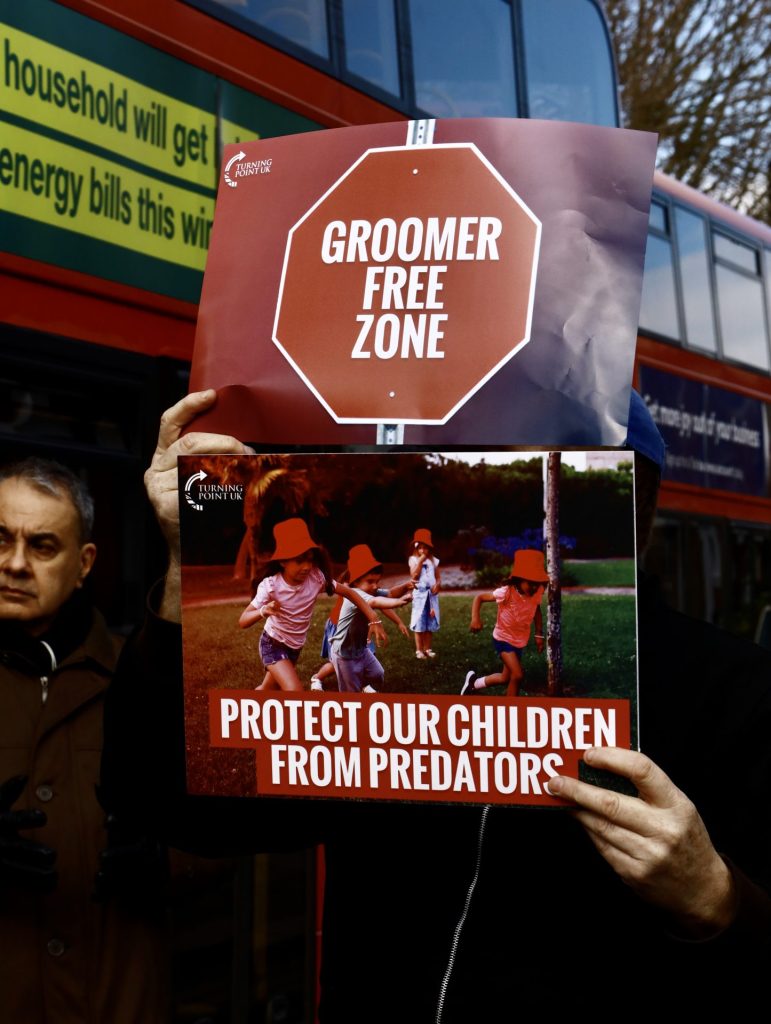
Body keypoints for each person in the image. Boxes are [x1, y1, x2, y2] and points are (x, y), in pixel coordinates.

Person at [101, 390, 771, 1020]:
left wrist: (718, 901)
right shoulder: (398, 686)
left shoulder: (733, 687)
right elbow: (167, 803)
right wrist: (184, 571)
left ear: (640, 510)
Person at [0, 458, 172, 1023]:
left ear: (83, 564)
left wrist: (169, 854)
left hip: (116, 1002)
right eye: (1, 539)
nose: (15, 564)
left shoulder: (140, 677)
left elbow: (225, 829)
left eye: (43, 546)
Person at [239, 518, 388, 691]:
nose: (306, 566)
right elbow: (243, 620)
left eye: (309, 559)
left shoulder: (315, 578)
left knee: (267, 690)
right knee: (295, 691)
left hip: (294, 647)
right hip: (273, 644)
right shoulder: (271, 586)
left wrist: (373, 617)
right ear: (282, 561)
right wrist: (263, 611)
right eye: (299, 561)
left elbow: (349, 592)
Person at [461, 547, 548, 696]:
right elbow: (479, 598)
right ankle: (510, 711)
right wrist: (475, 618)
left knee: (505, 677)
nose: (534, 587)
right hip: (503, 638)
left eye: (537, 583)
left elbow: (537, 611)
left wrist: (539, 634)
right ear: (519, 579)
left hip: (519, 640)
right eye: (530, 583)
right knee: (518, 675)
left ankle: (473, 684)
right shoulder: (507, 592)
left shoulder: (537, 591)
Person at [329, 543, 412, 693]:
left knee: (378, 673)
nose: (375, 586)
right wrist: (399, 603)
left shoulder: (371, 590)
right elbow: (375, 602)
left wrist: (405, 586)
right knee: (350, 693)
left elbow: (391, 593)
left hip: (361, 650)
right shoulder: (354, 594)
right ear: (355, 582)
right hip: (345, 655)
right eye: (370, 582)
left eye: (377, 581)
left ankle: (362, 684)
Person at [409, 528, 441, 659]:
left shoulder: (434, 561)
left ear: (429, 548)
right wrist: (420, 561)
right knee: (419, 621)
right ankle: (419, 650)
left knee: (430, 622)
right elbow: (414, 575)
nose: (423, 551)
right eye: (420, 548)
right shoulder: (413, 560)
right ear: (416, 548)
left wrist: (438, 585)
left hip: (431, 596)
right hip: (420, 595)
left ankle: (428, 648)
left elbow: (438, 577)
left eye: (425, 548)